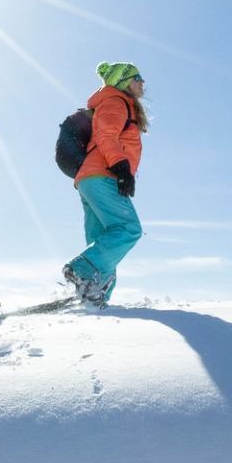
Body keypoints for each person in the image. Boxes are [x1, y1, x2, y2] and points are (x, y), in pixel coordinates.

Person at [62, 62, 148, 305]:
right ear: (123, 82)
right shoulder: (116, 102)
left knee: (102, 243)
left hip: (90, 179)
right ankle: (82, 268)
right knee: (128, 229)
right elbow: (105, 134)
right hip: (103, 175)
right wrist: (121, 166)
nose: (142, 82)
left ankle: (94, 296)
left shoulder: (117, 103)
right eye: (137, 77)